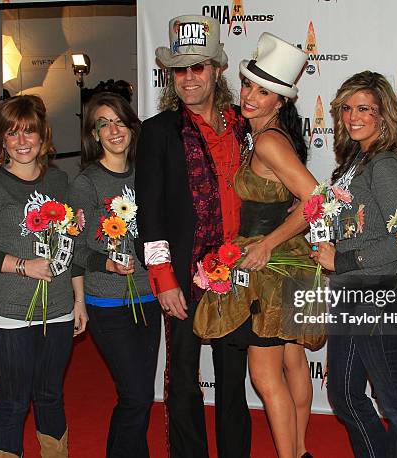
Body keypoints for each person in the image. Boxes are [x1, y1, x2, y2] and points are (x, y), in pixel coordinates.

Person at [194, 32, 317, 458]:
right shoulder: (269, 135)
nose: (250, 96)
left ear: (279, 101)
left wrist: (267, 244)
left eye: (263, 92)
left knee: (266, 378)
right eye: (248, 85)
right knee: (291, 362)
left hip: (273, 268)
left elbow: (317, 201)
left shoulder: (267, 140)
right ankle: (299, 450)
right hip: (288, 263)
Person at [135, 14, 251, 458]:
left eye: (197, 67)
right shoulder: (159, 131)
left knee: (232, 381)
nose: (188, 78)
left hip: (239, 270)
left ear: (217, 70)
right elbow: (150, 211)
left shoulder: (244, 125)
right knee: (183, 378)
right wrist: (163, 278)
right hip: (183, 275)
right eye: (179, 69)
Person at [0, 95, 87, 458]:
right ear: (1, 140)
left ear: (43, 136)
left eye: (29, 131)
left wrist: (79, 301)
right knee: (14, 402)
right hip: (6, 314)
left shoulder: (61, 180)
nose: (22, 141)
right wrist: (23, 265)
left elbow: (72, 247)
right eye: (12, 133)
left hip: (59, 309)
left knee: (50, 395)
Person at [310, 71, 397, 457]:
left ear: (383, 114)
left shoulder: (385, 164)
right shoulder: (357, 160)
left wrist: (342, 259)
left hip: (376, 296)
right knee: (343, 395)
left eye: (364, 109)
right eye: (346, 108)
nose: (353, 116)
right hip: (351, 295)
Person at [68, 92, 161, 457]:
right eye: (103, 123)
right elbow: (74, 248)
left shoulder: (147, 175)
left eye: (119, 121)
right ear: (94, 135)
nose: (113, 129)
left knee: (138, 395)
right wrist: (101, 266)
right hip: (107, 300)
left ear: (132, 128)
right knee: (136, 394)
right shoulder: (86, 184)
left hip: (148, 296)